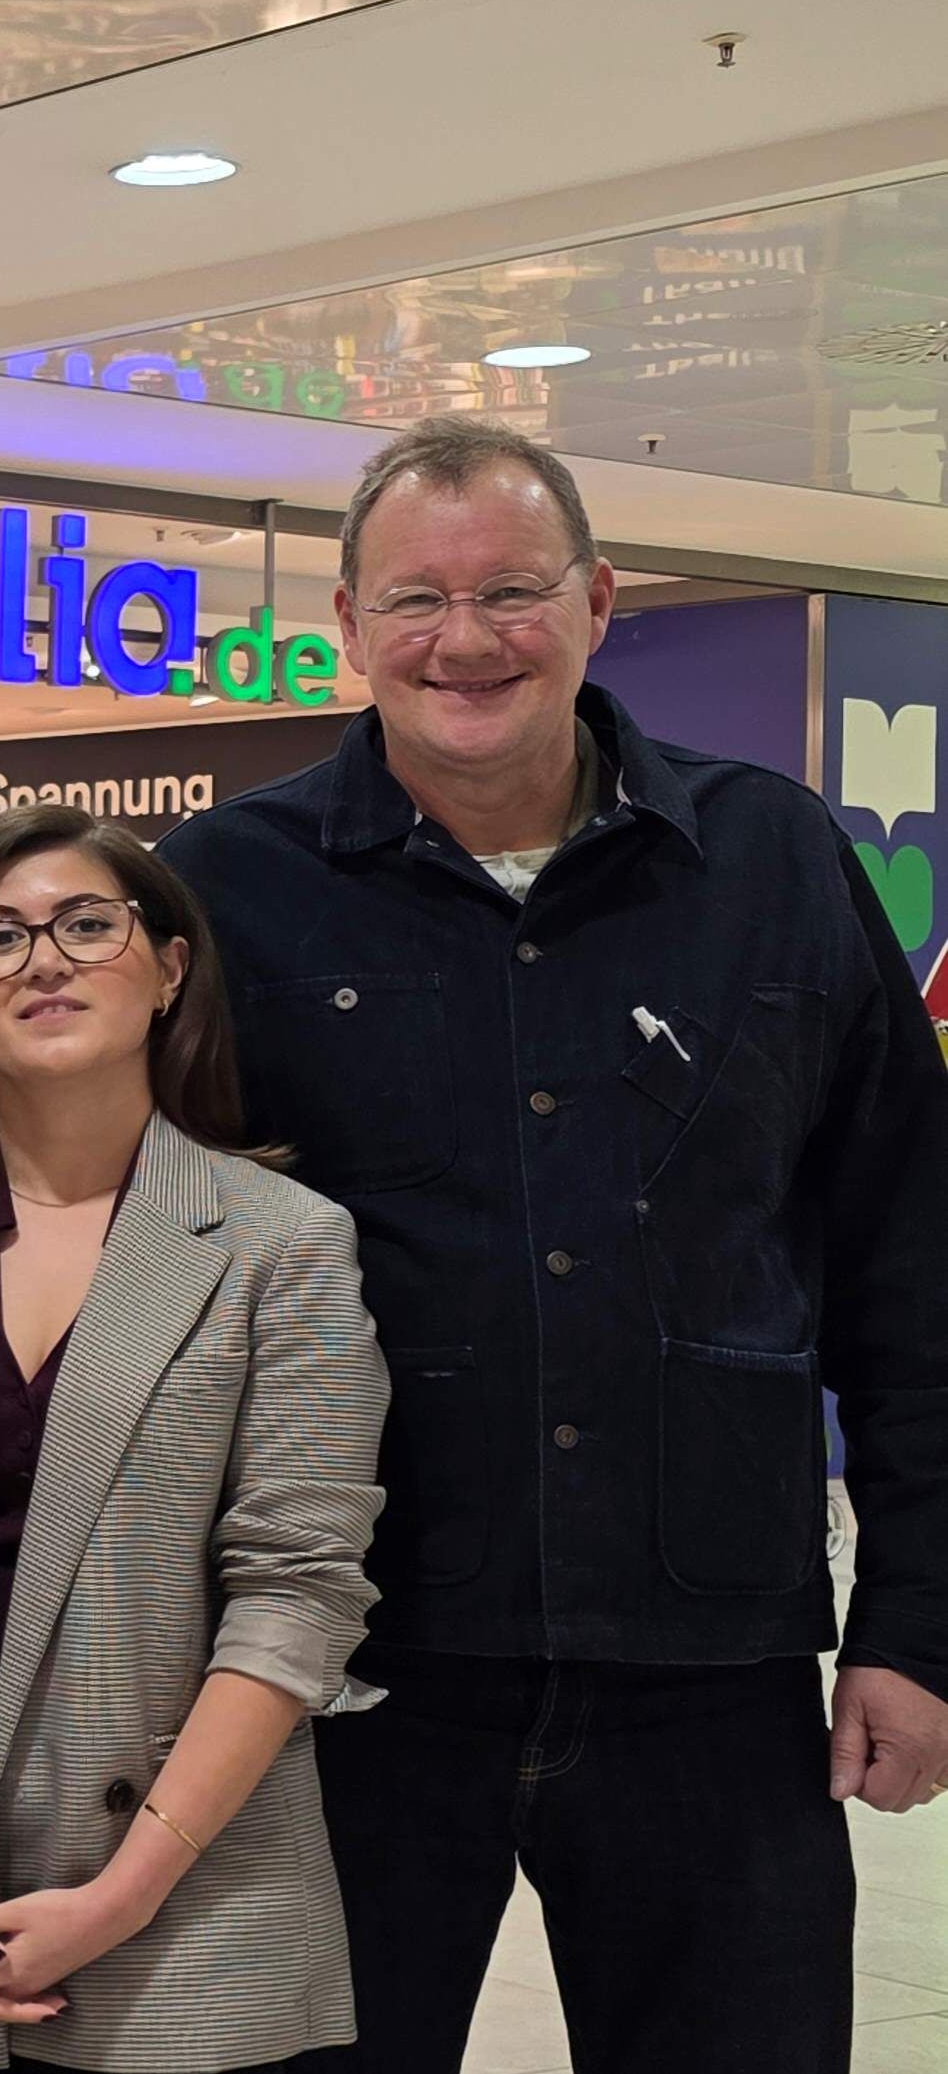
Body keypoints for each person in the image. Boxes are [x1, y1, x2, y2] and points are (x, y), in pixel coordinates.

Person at [159, 414, 948, 2073]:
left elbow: (910, 1254)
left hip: (710, 1660)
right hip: (345, 1669)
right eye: (417, 599)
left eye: (512, 589)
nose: (467, 638)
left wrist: (919, 1618)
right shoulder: (226, 887)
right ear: (348, 629)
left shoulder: (776, 857)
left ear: (596, 603)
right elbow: (134, 1268)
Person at [0, 804, 387, 2071]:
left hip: (192, 1922)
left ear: (168, 967)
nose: (42, 961)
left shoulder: (282, 1243)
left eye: (84, 924)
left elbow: (295, 1593)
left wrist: (116, 1897)